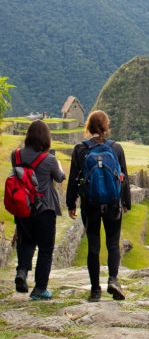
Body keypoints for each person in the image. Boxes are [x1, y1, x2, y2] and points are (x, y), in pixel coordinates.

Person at [66, 110, 130, 302]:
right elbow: (123, 178)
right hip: (112, 204)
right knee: (113, 244)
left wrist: (71, 203)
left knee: (93, 246)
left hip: (90, 204)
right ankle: (113, 279)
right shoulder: (116, 148)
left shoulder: (80, 149)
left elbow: (73, 179)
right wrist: (126, 202)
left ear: (88, 127)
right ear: (106, 127)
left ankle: (95, 290)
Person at [13, 120, 66, 300]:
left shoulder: (16, 156)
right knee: (45, 248)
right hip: (44, 209)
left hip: (22, 208)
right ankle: (40, 289)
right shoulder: (49, 159)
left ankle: (21, 271)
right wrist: (57, 164)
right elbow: (60, 178)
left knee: (26, 242)